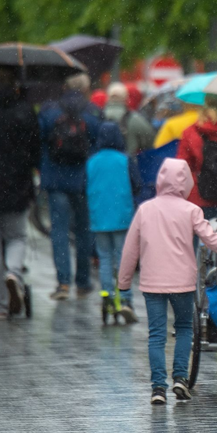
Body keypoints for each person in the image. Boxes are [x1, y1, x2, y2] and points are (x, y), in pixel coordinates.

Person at [118, 158, 217, 405]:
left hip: (152, 282)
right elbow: (212, 239)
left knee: (156, 334)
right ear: (187, 183)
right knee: (183, 330)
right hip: (182, 282)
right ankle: (180, 378)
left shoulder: (145, 210)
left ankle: (158, 388)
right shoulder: (191, 210)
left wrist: (124, 283)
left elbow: (130, 249)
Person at [38, 72, 102, 300]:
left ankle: (63, 283)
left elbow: (39, 141)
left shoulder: (49, 111)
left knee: (59, 231)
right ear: (85, 89)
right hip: (84, 180)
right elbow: (100, 144)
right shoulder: (93, 112)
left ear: (64, 87)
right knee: (85, 231)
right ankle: (83, 281)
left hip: (55, 180)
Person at [0, 68, 40, 319]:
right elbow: (35, 150)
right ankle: (14, 274)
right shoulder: (24, 111)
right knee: (17, 237)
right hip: (17, 185)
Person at [87, 122, 140, 324]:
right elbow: (137, 185)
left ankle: (106, 295)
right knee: (123, 259)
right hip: (122, 217)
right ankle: (125, 299)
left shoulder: (92, 161)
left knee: (105, 258)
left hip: (99, 218)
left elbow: (85, 185)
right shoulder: (125, 160)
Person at [104, 83, 156, 156]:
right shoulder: (135, 118)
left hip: (100, 165)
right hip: (129, 164)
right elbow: (151, 140)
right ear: (126, 98)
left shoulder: (98, 116)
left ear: (107, 97)